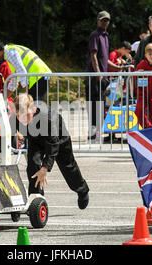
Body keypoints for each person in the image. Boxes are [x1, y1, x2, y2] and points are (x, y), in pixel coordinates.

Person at [14, 94, 90, 209]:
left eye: (27, 116)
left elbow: (53, 145)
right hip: (36, 140)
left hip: (58, 138)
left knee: (68, 166)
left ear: (33, 109)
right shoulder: (16, 118)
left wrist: (45, 168)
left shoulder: (47, 119)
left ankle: (82, 190)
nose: (24, 120)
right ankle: (36, 199)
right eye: (21, 116)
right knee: (33, 165)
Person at [84, 11, 124, 140]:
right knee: (93, 105)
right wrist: (98, 74)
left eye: (106, 20)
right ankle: (92, 133)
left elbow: (104, 58)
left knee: (100, 106)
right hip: (94, 77)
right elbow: (93, 55)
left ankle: (97, 132)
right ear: (98, 21)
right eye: (102, 20)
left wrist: (118, 68)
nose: (104, 22)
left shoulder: (106, 36)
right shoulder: (95, 35)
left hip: (102, 78)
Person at [0, 38, 52, 102]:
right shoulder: (10, 52)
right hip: (41, 75)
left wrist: (27, 93)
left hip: (38, 76)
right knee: (35, 106)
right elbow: (14, 81)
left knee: (34, 107)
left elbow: (22, 72)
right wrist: (2, 99)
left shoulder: (9, 53)